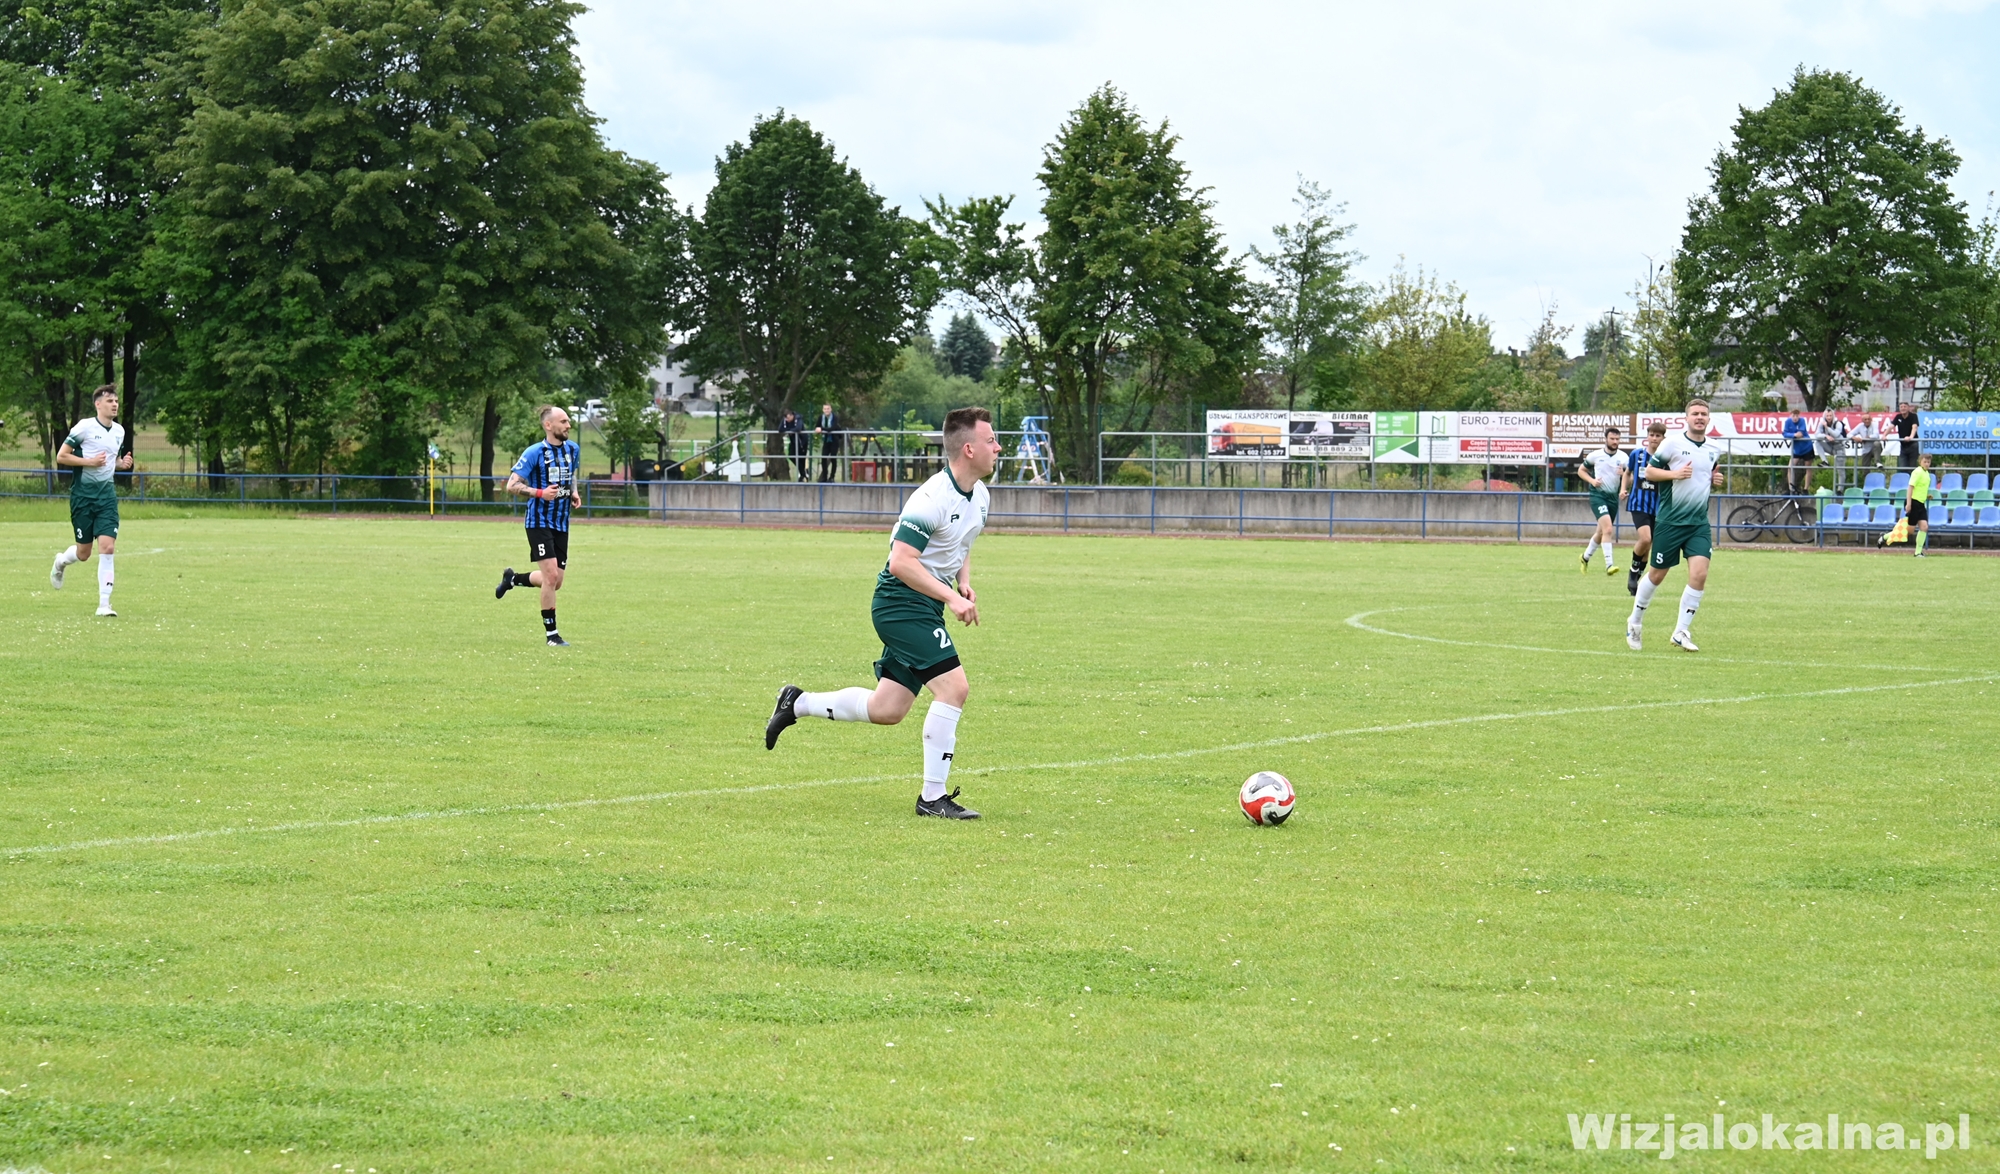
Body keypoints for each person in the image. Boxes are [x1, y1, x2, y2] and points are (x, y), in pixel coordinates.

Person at [765, 406, 1002, 819]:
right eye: (991, 440)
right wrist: (951, 598)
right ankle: (932, 798)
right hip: (900, 603)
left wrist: (963, 581)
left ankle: (797, 702)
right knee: (954, 689)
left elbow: (961, 542)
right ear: (968, 449)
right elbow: (900, 563)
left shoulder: (979, 495)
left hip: (924, 603)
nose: (998, 447)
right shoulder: (931, 497)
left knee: (887, 710)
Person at [1627, 399, 1726, 653]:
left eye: (1703, 414)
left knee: (1700, 574)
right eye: (1695, 413)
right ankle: (1635, 621)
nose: (1699, 417)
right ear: (1687, 418)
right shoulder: (1671, 444)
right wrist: (1674, 474)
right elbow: (1649, 472)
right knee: (1657, 574)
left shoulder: (1714, 448)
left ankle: (1681, 631)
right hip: (1670, 521)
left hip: (1698, 523)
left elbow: (1708, 472)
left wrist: (1715, 478)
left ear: (1709, 418)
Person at [495, 406, 582, 646]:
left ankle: (512, 579)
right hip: (538, 522)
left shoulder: (573, 449)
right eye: (563, 421)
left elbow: (571, 474)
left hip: (561, 522)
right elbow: (512, 485)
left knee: (556, 581)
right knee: (551, 576)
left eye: (568, 421)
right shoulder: (534, 452)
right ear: (548, 425)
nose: (568, 425)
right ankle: (552, 635)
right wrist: (540, 493)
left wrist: (573, 492)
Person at [49, 384, 134, 616]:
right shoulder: (84, 427)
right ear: (98, 404)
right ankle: (60, 562)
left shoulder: (119, 431)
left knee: (108, 547)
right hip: (82, 499)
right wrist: (89, 462)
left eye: (116, 401)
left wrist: (121, 464)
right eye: (109, 401)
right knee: (84, 553)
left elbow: (111, 461)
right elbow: (62, 456)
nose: (114, 404)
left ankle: (104, 605)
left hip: (106, 498)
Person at [1622, 421, 1666, 594]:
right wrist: (1623, 488)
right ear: (1647, 436)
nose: (1654, 438)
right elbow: (1627, 472)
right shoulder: (1637, 454)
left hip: (1658, 507)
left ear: (1663, 438)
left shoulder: (1665, 458)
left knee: (1648, 548)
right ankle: (1633, 572)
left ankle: (1636, 581)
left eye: (1658, 436)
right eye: (1651, 435)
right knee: (1645, 539)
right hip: (1638, 504)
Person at [1575, 427, 1625, 577]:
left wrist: (1624, 477)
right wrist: (1592, 481)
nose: (1615, 442)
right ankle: (1609, 565)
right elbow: (1581, 470)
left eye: (1617, 439)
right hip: (1598, 496)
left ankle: (1585, 558)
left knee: (1601, 532)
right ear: (1606, 439)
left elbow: (1630, 477)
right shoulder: (1595, 455)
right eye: (1612, 439)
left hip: (1613, 498)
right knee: (1608, 529)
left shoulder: (1624, 458)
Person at [1884, 451, 1934, 557]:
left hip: (1921, 504)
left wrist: (1926, 496)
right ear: (1920, 462)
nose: (1927, 464)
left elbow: (1920, 488)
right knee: (1909, 531)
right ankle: (1885, 537)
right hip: (1913, 502)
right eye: (1925, 462)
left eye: (1928, 462)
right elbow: (1910, 487)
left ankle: (1918, 552)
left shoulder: (1926, 474)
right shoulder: (1917, 472)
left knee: (1924, 527)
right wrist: (1909, 503)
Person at [1783, 408, 1815, 495]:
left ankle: (1805, 489)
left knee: (1808, 467)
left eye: (1797, 416)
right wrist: (1794, 435)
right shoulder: (1787, 422)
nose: (1795, 418)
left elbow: (1801, 434)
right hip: (1796, 449)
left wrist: (1792, 435)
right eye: (1793, 415)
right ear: (1791, 415)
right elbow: (1785, 434)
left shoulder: (1802, 421)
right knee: (1790, 467)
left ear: (1799, 416)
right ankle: (1791, 489)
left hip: (1807, 447)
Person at [1816, 411, 1849, 490]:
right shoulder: (1822, 424)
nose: (1829, 417)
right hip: (1831, 447)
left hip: (1839, 448)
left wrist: (1827, 428)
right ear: (1825, 416)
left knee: (1840, 470)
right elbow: (1816, 435)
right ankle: (1825, 461)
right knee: (1818, 442)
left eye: (1830, 415)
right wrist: (1825, 436)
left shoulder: (1838, 423)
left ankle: (1840, 490)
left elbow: (1836, 434)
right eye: (1827, 416)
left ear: (1833, 416)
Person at [778, 409, 809, 481]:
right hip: (793, 441)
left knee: (801, 459)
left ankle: (803, 476)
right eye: (786, 418)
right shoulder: (785, 420)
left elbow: (798, 428)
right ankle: (803, 473)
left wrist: (790, 430)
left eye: (788, 418)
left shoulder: (798, 418)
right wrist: (791, 430)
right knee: (791, 455)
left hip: (802, 441)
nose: (787, 420)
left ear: (792, 416)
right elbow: (780, 429)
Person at [815, 402, 843, 482]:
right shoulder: (821, 417)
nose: (826, 410)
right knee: (823, 458)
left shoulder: (835, 417)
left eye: (828, 409)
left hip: (834, 440)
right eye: (825, 409)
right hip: (826, 440)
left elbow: (832, 428)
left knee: (833, 458)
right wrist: (818, 429)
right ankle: (824, 476)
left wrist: (822, 429)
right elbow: (817, 426)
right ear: (823, 410)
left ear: (831, 409)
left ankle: (832, 477)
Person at [1894, 401, 1920, 470]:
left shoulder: (1913, 416)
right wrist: (1884, 435)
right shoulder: (1898, 417)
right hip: (1903, 446)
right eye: (1901, 407)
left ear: (1908, 408)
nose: (1903, 408)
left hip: (1913, 444)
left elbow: (1914, 427)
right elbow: (1891, 426)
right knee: (1902, 467)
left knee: (1912, 467)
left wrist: (1911, 437)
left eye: (1905, 407)